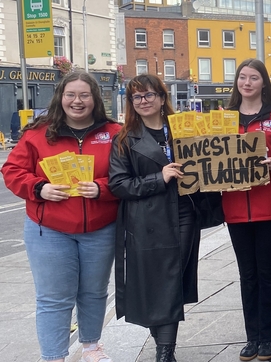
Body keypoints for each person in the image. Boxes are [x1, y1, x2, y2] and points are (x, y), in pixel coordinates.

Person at [2, 72, 120, 362]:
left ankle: (92, 346)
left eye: (84, 95)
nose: (77, 101)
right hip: (49, 229)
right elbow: (12, 171)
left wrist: (102, 188)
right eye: (71, 95)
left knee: (94, 291)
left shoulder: (116, 133)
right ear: (60, 98)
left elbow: (127, 177)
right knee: (54, 297)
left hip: (100, 227)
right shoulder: (37, 133)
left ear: (95, 99)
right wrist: (39, 188)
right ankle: (54, 356)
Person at [108, 74, 201, 362]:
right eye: (136, 97)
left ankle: (165, 352)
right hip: (147, 220)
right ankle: (163, 342)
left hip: (184, 213)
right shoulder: (124, 139)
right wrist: (157, 178)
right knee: (152, 284)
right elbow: (119, 184)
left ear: (162, 98)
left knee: (171, 279)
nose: (143, 101)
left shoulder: (184, 130)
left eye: (149, 95)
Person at [225, 59, 271, 361]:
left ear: (264, 83)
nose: (247, 82)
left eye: (254, 77)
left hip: (269, 207)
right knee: (247, 273)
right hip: (235, 207)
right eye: (243, 77)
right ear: (237, 82)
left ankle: (270, 334)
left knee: (266, 272)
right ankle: (252, 335)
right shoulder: (223, 119)